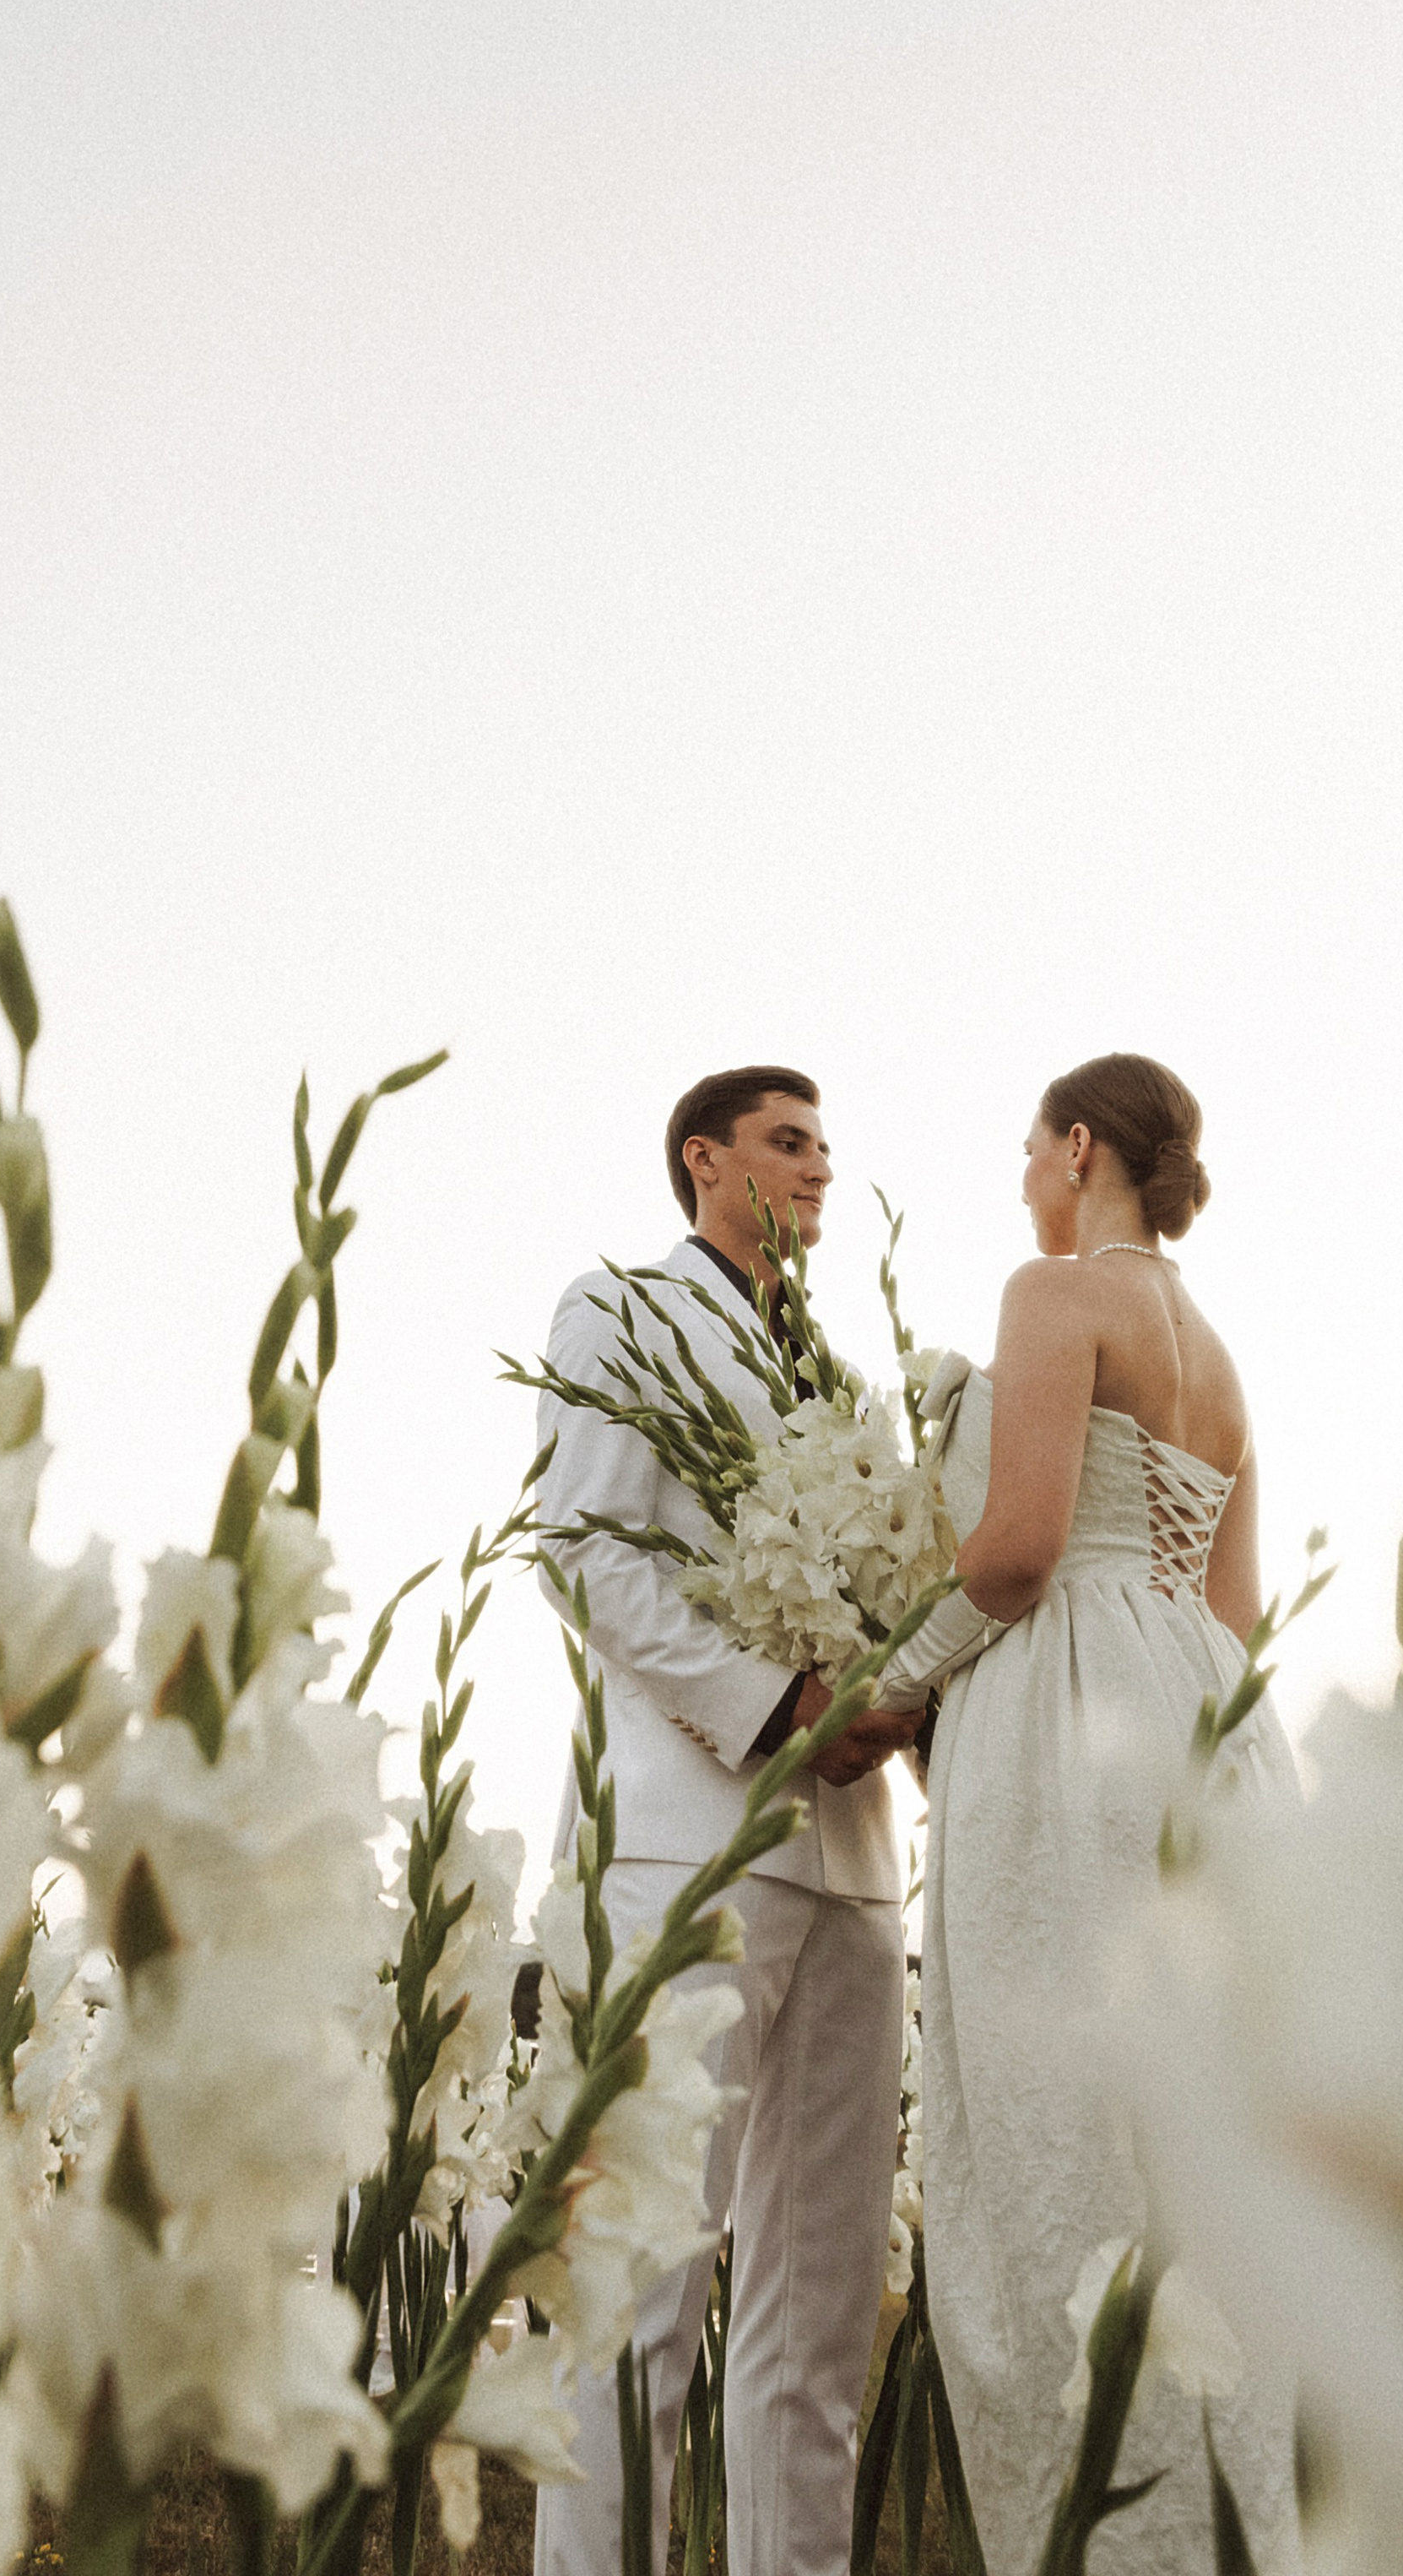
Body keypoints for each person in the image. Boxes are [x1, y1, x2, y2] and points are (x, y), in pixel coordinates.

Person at [891, 1052, 1301, 2575]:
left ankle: (1098, 2532)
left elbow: (1019, 1551)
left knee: (1053, 2124)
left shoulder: (1055, 1296)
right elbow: (1234, 1614)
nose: (1022, 1182)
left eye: (1029, 1150)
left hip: (1070, 1725)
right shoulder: (1226, 1364)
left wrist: (890, 1684)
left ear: (1079, 1148)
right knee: (1194, 2137)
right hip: (1203, 1729)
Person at [530, 1065, 918, 2576]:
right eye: (788, 1142)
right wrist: (775, 1705)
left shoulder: (846, 1385)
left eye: (826, 1147)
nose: (820, 1169)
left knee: (819, 2315)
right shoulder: (619, 1311)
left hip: (859, 1864)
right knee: (637, 2288)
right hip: (689, 1845)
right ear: (705, 1159)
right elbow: (584, 1554)